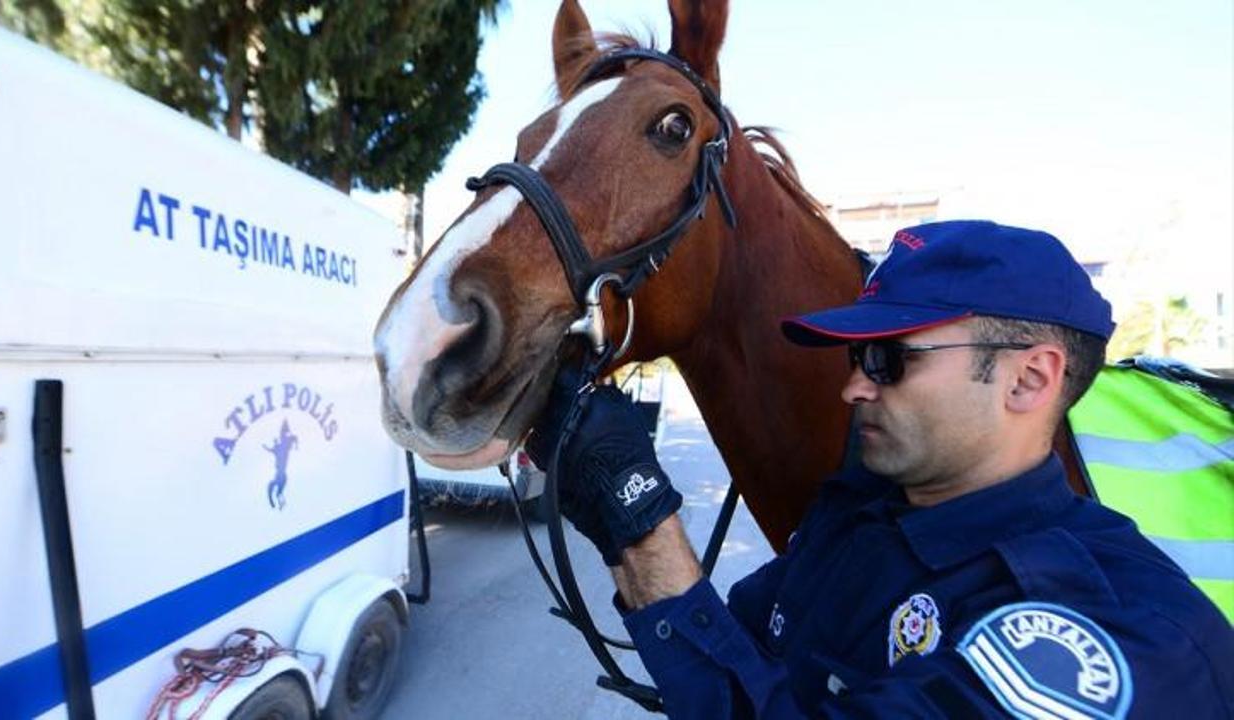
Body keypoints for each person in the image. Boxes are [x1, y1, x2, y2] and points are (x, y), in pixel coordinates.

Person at [526, 220, 1234, 718]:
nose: (854, 387)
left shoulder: (1111, 637)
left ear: (1028, 379)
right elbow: (737, 661)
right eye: (856, 358)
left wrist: (648, 526)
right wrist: (618, 526)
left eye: (891, 359)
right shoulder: (861, 509)